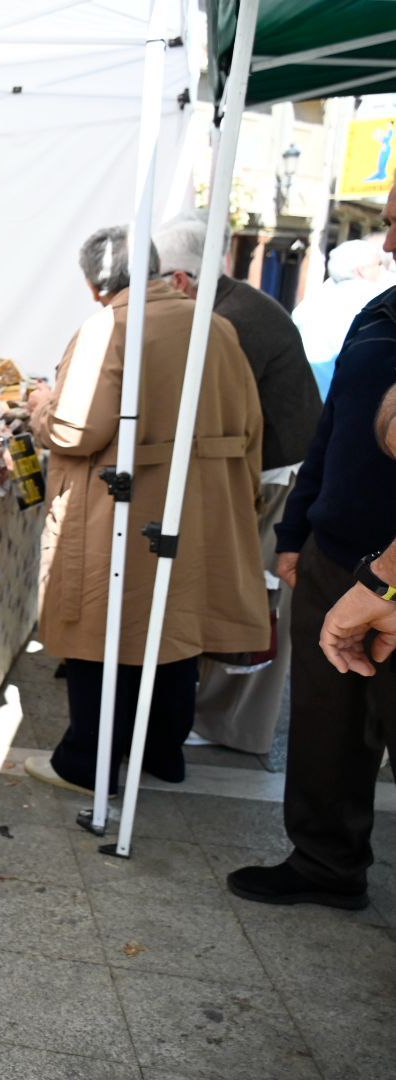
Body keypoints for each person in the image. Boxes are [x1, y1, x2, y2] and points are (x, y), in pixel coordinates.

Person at [23, 226, 269, 795]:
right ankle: (163, 751)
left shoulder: (110, 326)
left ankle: (87, 761)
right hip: (201, 501)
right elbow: (252, 425)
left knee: (103, 629)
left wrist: (40, 406)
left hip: (124, 504)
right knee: (173, 629)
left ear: (94, 285)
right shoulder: (215, 324)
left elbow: (76, 429)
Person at [228, 185, 396, 910]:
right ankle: (326, 863)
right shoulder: (380, 312)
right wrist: (297, 531)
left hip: (391, 577)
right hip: (335, 551)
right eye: (390, 226)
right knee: (325, 724)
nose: (388, 245)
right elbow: (331, 430)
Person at [152, 214, 322, 755]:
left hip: (279, 482)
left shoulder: (232, 321)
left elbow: (217, 416)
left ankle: (233, 728)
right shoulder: (229, 309)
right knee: (246, 598)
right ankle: (216, 717)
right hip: (270, 474)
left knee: (255, 604)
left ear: (179, 280)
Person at [292, 237, 390, 394]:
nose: (383, 270)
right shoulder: (371, 301)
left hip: (304, 397)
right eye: (379, 264)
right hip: (341, 400)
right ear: (362, 270)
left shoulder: (312, 301)